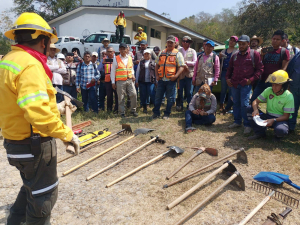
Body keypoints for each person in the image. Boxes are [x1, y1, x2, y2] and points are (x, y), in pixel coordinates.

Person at [0, 12, 80, 225]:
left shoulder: (9, 60)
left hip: (15, 141)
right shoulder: (30, 65)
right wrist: (67, 133)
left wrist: (58, 106)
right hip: (34, 144)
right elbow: (37, 113)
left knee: (30, 188)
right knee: (44, 197)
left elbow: (22, 102)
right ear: (43, 40)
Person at [226, 35, 264, 134]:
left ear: (248, 44)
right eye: (240, 44)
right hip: (234, 84)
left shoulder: (254, 54)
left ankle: (247, 124)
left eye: (243, 44)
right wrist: (227, 79)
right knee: (236, 103)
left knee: (245, 105)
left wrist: (251, 80)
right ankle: (237, 121)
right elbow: (229, 69)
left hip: (245, 84)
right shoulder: (235, 55)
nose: (241, 46)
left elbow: (260, 69)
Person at [247, 70, 294, 141]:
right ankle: (259, 133)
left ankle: (278, 136)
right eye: (273, 84)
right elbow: (255, 101)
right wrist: (255, 109)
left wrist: (273, 120)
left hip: (280, 120)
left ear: (284, 85)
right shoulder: (269, 90)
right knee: (249, 109)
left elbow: (286, 116)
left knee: (281, 130)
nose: (274, 87)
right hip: (268, 116)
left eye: (277, 85)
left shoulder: (289, 96)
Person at [250, 30, 290, 103]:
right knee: (254, 100)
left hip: (275, 82)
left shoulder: (284, 52)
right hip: (262, 80)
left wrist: (278, 83)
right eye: (273, 39)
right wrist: (262, 55)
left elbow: (283, 69)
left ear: (282, 41)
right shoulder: (266, 50)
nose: (275, 41)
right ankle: (255, 113)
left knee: (272, 103)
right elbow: (259, 65)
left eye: (277, 39)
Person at [152, 35, 185, 120]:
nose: (170, 44)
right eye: (168, 42)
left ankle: (167, 113)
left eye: (171, 42)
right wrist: (157, 76)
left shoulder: (178, 54)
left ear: (175, 43)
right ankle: (156, 113)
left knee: (170, 98)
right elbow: (157, 64)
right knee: (158, 97)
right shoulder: (161, 52)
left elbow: (182, 66)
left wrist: (176, 76)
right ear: (166, 43)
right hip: (161, 80)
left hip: (171, 80)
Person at [110, 43, 138, 117]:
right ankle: (122, 112)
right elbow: (113, 71)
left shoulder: (129, 58)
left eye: (124, 48)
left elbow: (131, 68)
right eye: (121, 48)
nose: (122, 50)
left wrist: (133, 75)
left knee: (134, 94)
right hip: (120, 81)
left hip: (129, 80)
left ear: (126, 49)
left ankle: (133, 110)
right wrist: (113, 82)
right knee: (121, 97)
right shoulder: (116, 58)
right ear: (119, 49)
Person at [218, 36, 239, 114]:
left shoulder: (237, 51)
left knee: (231, 90)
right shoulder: (223, 50)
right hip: (224, 72)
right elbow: (218, 62)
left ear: (236, 43)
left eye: (234, 41)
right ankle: (221, 105)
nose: (231, 42)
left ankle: (229, 106)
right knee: (223, 89)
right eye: (231, 40)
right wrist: (219, 57)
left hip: (232, 73)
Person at [177, 36, 197, 111]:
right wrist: (182, 65)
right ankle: (180, 105)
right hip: (180, 74)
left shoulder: (193, 51)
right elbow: (175, 61)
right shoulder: (178, 51)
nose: (185, 42)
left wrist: (186, 63)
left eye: (187, 41)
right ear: (181, 42)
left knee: (189, 92)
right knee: (180, 91)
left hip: (189, 74)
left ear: (189, 43)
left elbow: (195, 62)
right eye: (184, 41)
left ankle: (190, 106)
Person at [101, 47, 118, 112]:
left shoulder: (117, 59)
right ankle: (109, 110)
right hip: (108, 80)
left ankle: (116, 110)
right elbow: (99, 69)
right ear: (106, 52)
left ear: (114, 52)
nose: (110, 53)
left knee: (117, 96)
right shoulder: (104, 59)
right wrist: (102, 63)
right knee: (109, 96)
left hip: (116, 80)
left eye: (111, 51)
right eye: (108, 51)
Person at [287, 51, 300, 133]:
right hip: (294, 86)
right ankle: (291, 127)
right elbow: (291, 69)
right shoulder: (297, 55)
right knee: (293, 108)